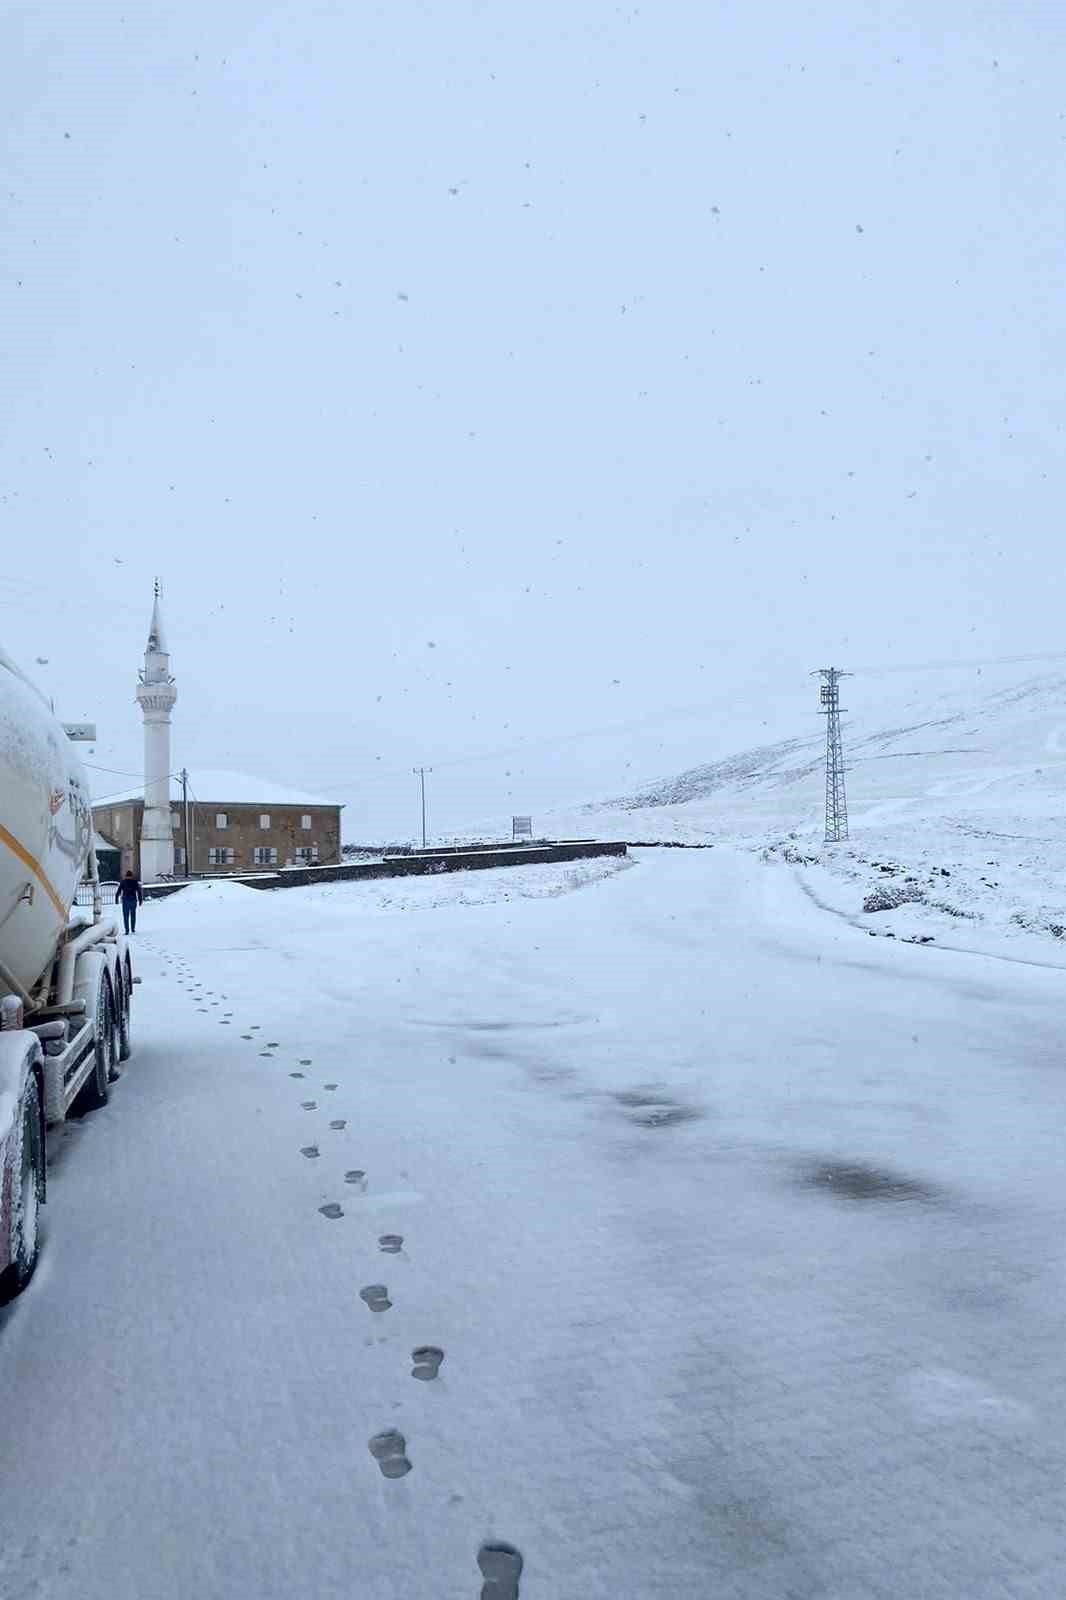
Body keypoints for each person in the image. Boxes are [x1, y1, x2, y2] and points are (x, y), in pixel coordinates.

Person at [115, 869, 144, 934]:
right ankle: (133, 929)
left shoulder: (123, 882)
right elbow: (139, 892)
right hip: (133, 900)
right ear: (132, 876)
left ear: (126, 876)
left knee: (126, 916)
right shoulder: (135, 882)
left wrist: (116, 899)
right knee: (133, 915)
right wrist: (140, 900)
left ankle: (127, 930)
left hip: (125, 901)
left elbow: (119, 891)